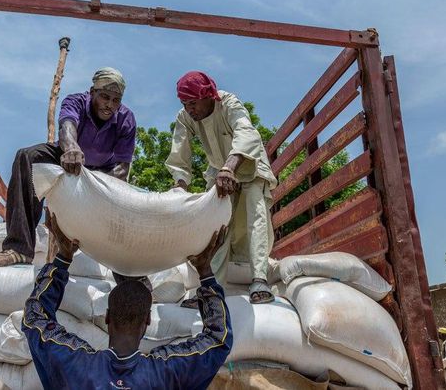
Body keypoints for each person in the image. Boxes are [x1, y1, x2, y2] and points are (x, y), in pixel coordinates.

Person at [22, 209, 233, 390]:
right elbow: (218, 338)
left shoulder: (74, 363)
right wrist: (205, 271)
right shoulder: (166, 372)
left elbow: (35, 317)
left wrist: (62, 259)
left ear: (107, 317)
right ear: (148, 320)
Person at [0, 67, 136, 272]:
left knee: (127, 198)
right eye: (104, 97)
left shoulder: (126, 119)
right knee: (27, 156)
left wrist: (93, 185)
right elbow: (67, 126)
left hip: (101, 172)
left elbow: (122, 169)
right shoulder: (75, 101)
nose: (109, 105)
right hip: (65, 156)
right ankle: (19, 248)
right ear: (92, 93)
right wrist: (72, 147)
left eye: (115, 100)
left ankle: (124, 267)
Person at [165, 71, 278, 305]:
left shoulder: (228, 103)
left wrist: (230, 167)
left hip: (248, 166)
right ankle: (210, 289)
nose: (189, 109)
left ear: (209, 97)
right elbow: (179, 154)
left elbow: (246, 133)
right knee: (216, 226)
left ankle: (259, 280)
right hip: (219, 171)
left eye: (193, 103)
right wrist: (180, 186)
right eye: (185, 104)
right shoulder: (185, 117)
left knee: (255, 217)